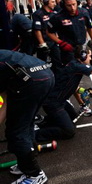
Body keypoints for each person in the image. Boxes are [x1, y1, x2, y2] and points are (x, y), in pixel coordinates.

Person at [0, 50, 55, 184]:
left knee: (16, 132)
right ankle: (25, 164)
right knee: (26, 124)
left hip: (32, 80)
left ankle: (35, 175)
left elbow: (3, 97)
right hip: (46, 75)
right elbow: (5, 94)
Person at [47, 0, 92, 65]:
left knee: (82, 69)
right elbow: (49, 32)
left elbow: (89, 27)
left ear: (77, 3)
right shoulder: (57, 17)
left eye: (74, 4)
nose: (72, 8)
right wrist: (61, 43)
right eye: (69, 5)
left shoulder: (84, 12)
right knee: (70, 71)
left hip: (81, 47)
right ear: (63, 5)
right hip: (67, 49)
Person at [32, 0, 61, 72]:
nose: (55, 4)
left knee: (57, 62)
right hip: (44, 43)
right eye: (52, 2)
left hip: (53, 42)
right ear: (46, 2)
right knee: (42, 65)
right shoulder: (38, 14)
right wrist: (42, 44)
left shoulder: (54, 14)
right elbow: (37, 30)